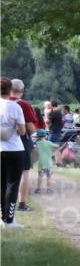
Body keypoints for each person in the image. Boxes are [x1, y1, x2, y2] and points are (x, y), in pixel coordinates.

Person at [1, 77, 27, 228]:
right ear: (10, 90)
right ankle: (9, 220)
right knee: (12, 184)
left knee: (1, 184)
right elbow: (22, 131)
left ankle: (2, 217)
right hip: (14, 149)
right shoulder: (15, 107)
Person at [10, 80, 38, 212]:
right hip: (21, 141)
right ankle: (22, 203)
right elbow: (31, 128)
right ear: (22, 90)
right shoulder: (24, 105)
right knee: (24, 172)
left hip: (3, 142)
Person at [33, 129, 55, 194]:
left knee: (40, 176)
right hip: (49, 164)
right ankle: (49, 189)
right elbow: (56, 146)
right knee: (49, 177)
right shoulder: (49, 143)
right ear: (45, 136)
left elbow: (35, 152)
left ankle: (38, 189)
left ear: (38, 137)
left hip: (41, 164)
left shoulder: (37, 144)